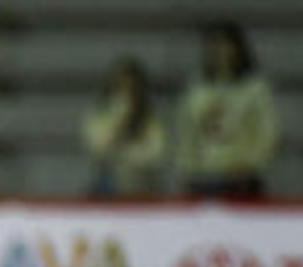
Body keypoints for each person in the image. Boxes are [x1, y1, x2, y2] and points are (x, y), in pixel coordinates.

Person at [175, 20, 277, 199]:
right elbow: (186, 132)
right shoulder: (197, 89)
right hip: (202, 178)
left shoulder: (254, 89)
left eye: (225, 45)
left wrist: (250, 164)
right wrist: (189, 167)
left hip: (241, 179)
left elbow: (267, 133)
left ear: (239, 49)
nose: (219, 51)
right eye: (213, 45)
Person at [83, 57, 166, 198]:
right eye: (120, 86)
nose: (126, 92)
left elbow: (155, 154)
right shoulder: (100, 115)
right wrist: (120, 119)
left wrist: (124, 155)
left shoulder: (150, 118)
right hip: (109, 184)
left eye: (131, 87)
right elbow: (98, 149)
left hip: (143, 184)